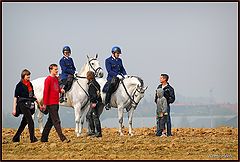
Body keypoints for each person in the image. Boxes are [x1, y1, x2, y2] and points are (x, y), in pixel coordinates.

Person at [40, 64, 70, 143]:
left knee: (50, 122)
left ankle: (43, 138)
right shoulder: (48, 79)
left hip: (56, 103)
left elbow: (57, 88)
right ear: (51, 70)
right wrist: (45, 104)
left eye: (57, 69)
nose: (57, 71)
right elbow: (45, 92)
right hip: (50, 103)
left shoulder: (56, 78)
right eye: (55, 69)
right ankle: (63, 138)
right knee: (56, 121)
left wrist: (61, 90)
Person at [12, 69, 39, 143]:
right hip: (22, 104)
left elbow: (33, 95)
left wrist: (39, 104)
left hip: (30, 104)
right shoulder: (19, 85)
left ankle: (16, 137)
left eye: (29, 76)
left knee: (24, 122)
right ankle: (32, 139)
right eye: (27, 76)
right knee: (30, 121)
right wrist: (14, 109)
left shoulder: (30, 84)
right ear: (23, 76)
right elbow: (15, 97)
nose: (28, 77)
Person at [104, 46, 127, 110]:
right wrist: (116, 75)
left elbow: (122, 68)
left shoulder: (120, 60)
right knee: (110, 87)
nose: (118, 55)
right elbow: (109, 71)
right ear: (113, 53)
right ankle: (107, 103)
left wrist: (125, 75)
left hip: (120, 77)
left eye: (119, 54)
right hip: (112, 78)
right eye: (117, 53)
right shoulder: (108, 60)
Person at [86, 71, 103, 137]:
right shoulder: (96, 83)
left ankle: (98, 132)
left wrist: (93, 102)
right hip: (98, 101)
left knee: (94, 116)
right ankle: (93, 131)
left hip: (95, 102)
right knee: (89, 115)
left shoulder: (91, 84)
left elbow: (93, 94)